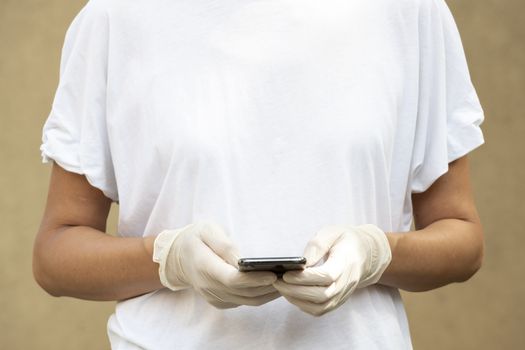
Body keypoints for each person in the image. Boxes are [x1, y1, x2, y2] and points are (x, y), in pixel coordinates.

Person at [33, 0, 486, 348]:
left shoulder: (409, 13)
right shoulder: (117, 17)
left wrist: (375, 253)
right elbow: (57, 253)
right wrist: (167, 258)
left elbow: (462, 240)